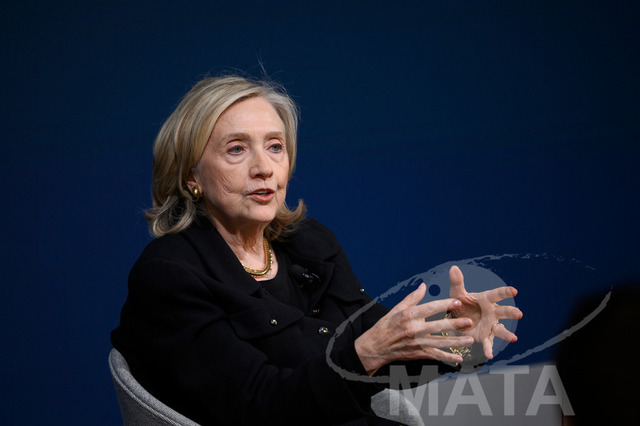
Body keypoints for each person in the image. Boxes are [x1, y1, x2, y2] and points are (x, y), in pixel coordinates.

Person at [111, 75, 523, 425]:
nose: (264, 167)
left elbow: (384, 353)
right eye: (237, 149)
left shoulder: (308, 243)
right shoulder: (170, 275)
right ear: (191, 176)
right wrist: (363, 356)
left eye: (275, 146)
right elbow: (259, 406)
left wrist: (457, 337)